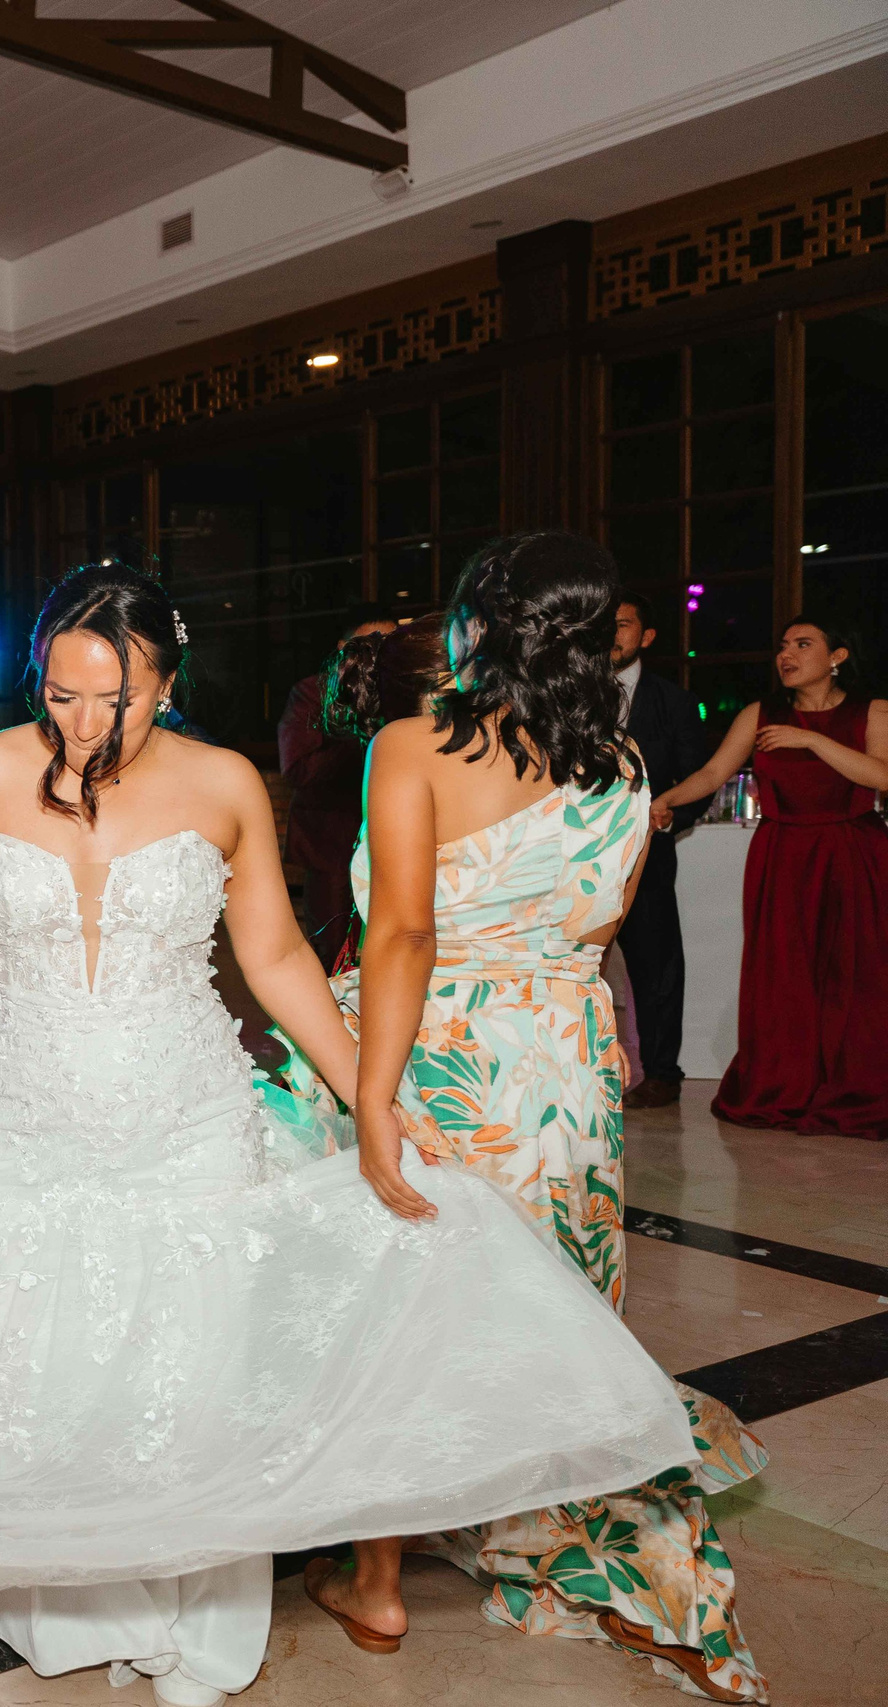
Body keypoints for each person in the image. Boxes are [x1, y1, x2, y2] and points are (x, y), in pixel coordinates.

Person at [0, 562, 700, 1707]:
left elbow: (275, 959)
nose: (85, 726)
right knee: (25, 1352)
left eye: (115, 699)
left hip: (186, 1112)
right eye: (63, 696)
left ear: (166, 682)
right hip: (30, 1116)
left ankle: (179, 1607)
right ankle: (28, 1564)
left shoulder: (223, 782)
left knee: (181, 1368)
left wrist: (370, 1102)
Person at [319, 534, 769, 1703]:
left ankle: (373, 1580)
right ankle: (522, 1508)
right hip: (563, 1064)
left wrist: (372, 1096)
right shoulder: (620, 762)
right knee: (549, 1297)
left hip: (445, 1050)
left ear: (479, 625)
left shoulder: (412, 744)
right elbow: (602, 917)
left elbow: (403, 933)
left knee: (407, 1303)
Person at [654, 615, 888, 1138]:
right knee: (785, 977)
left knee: (857, 977)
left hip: (854, 850)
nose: (787, 655)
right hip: (783, 854)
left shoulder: (872, 711)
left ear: (838, 656)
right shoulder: (761, 714)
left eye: (803, 645)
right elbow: (714, 774)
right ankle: (785, 1087)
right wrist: (667, 799)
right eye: (782, 645)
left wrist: (814, 743)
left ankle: (855, 1091)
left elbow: (884, 776)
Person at [607, 595, 711, 1109]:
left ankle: (663, 1073)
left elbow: (700, 777)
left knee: (657, 965)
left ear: (646, 636)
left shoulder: (675, 701)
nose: (611, 635)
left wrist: (673, 816)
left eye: (622, 625)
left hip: (646, 852)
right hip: (572, 856)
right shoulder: (567, 695)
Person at [279, 606, 397, 966]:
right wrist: (365, 735)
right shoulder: (312, 694)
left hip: (398, 840)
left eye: (390, 645)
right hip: (332, 846)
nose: (378, 655)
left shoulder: (407, 696)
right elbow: (298, 769)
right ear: (344, 648)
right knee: (333, 951)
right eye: (369, 645)